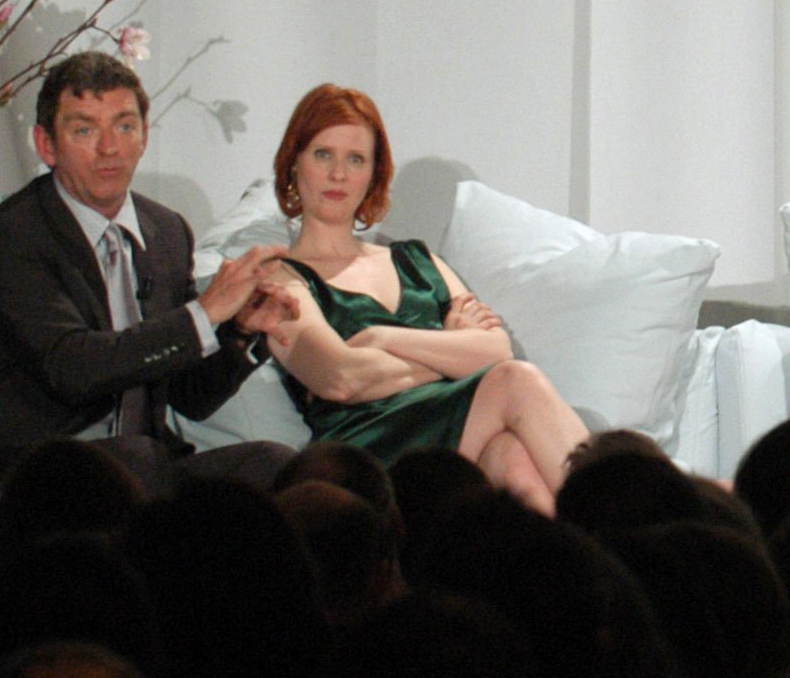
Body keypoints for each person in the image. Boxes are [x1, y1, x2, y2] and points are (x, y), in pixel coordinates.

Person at [0, 53, 295, 494]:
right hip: (33, 458)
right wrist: (205, 312)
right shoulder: (8, 236)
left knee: (278, 465)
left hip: (143, 462)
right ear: (47, 145)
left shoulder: (167, 232)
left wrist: (241, 333)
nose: (110, 148)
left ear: (143, 136)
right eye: (85, 130)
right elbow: (72, 368)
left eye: (124, 126)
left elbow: (188, 397)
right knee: (135, 460)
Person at [238, 85, 589, 513]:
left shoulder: (418, 261)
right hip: (366, 455)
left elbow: (495, 349)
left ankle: (580, 567)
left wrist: (383, 339)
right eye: (322, 154)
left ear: (373, 174)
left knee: (511, 458)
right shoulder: (280, 277)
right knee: (516, 382)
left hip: (454, 436)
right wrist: (447, 347)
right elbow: (340, 379)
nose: (338, 175)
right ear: (294, 163)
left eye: (355, 159)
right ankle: (632, 533)